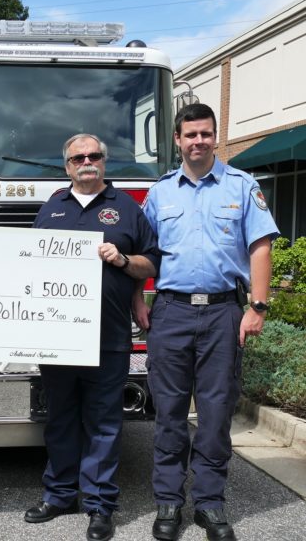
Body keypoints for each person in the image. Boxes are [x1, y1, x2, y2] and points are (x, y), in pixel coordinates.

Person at [134, 103, 279, 541]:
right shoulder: (160, 193)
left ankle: (211, 504)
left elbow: (260, 248)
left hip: (223, 314)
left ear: (215, 136)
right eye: (190, 134)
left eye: (205, 133)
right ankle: (169, 504)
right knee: (170, 414)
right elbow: (144, 254)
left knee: (215, 413)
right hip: (171, 311)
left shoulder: (242, 186)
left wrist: (257, 307)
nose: (198, 140)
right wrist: (137, 301)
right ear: (177, 140)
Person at [25, 134, 160, 541]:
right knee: (61, 419)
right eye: (78, 157)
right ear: (67, 166)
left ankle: (99, 505)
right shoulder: (52, 208)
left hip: (110, 336)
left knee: (104, 423)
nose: (87, 161)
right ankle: (60, 494)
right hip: (58, 338)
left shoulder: (126, 209)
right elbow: (26, 267)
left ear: (104, 162)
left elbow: (150, 260)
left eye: (94, 155)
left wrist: (121, 259)